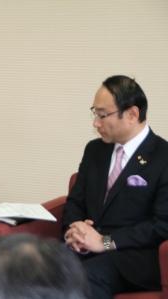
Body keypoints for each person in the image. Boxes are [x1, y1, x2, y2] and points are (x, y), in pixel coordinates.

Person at [62, 75, 168, 298]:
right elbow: (75, 201)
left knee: (84, 277)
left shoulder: (163, 157)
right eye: (95, 113)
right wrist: (76, 229)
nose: (96, 123)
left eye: (103, 115)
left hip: (132, 256)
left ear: (132, 114)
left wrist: (104, 242)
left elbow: (161, 226)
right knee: (34, 265)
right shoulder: (95, 150)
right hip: (85, 248)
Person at [0, 234, 88, 299]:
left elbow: (110, 240)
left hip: (108, 252)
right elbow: (73, 207)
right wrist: (75, 230)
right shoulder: (89, 169)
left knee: (91, 276)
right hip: (72, 246)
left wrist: (104, 241)